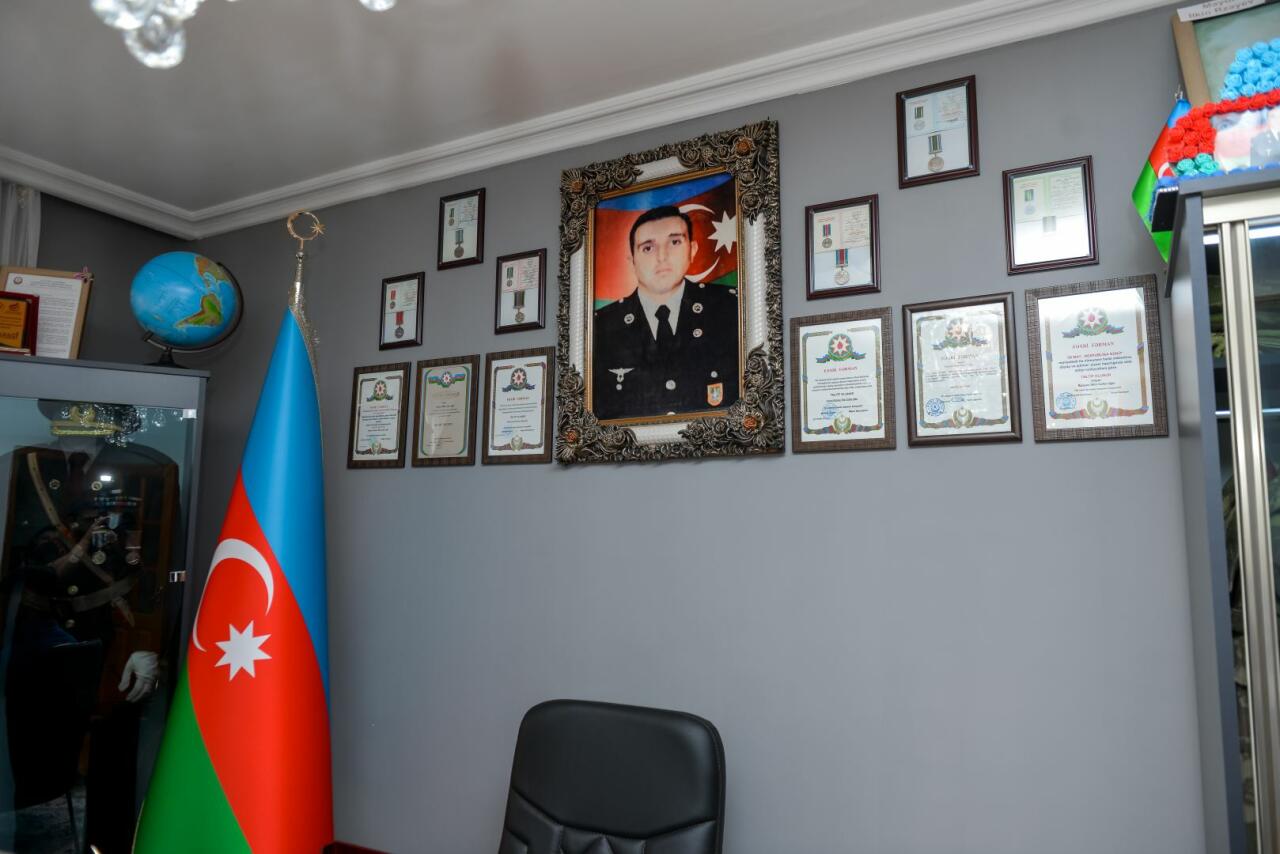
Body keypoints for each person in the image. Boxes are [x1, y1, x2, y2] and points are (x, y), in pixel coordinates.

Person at [0, 404, 178, 853]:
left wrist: (152, 646)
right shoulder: (21, 466)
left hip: (113, 638)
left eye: (91, 415)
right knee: (32, 765)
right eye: (69, 414)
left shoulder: (148, 470)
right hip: (32, 637)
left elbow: (163, 567)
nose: (77, 425)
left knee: (113, 769)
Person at [592, 205, 741, 421]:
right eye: (648, 248)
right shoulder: (601, 327)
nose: (662, 256)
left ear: (692, 250)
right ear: (632, 260)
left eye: (674, 242)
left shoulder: (730, 309)